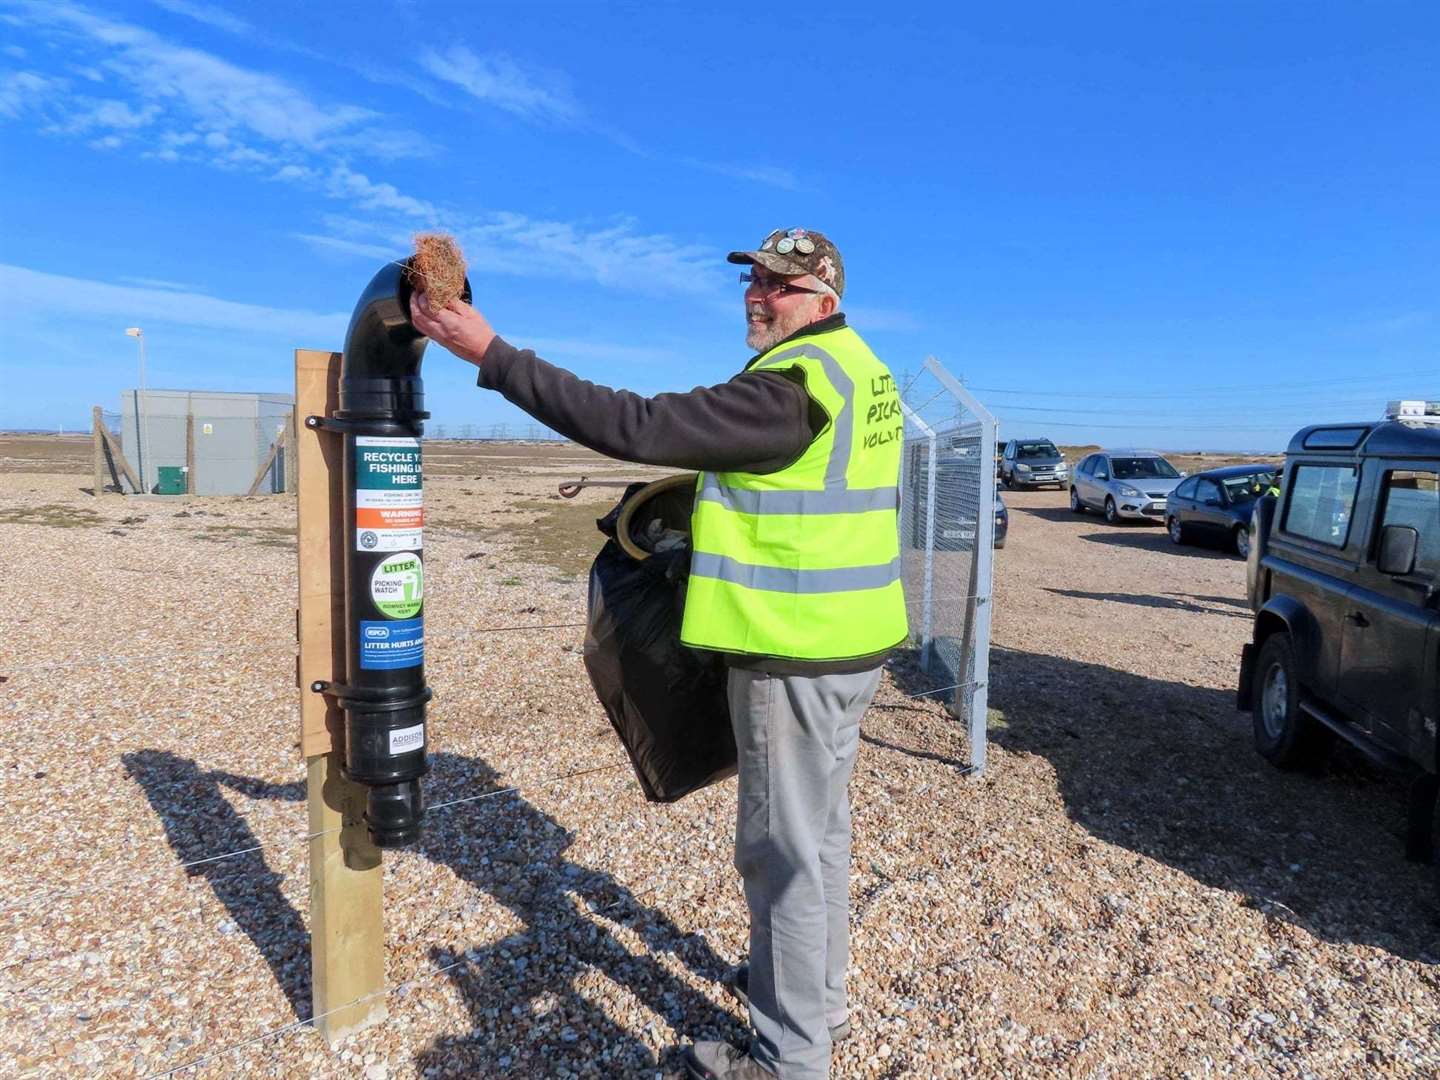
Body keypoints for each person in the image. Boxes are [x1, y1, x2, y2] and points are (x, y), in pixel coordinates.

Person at [410, 227, 907, 1080]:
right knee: (819, 837)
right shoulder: (864, 369)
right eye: (753, 281)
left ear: (823, 298)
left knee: (781, 852)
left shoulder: (791, 388)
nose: (758, 295)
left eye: (780, 287)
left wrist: (492, 355)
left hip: (791, 653)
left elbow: (635, 424)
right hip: (851, 645)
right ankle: (809, 993)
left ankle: (789, 1058)